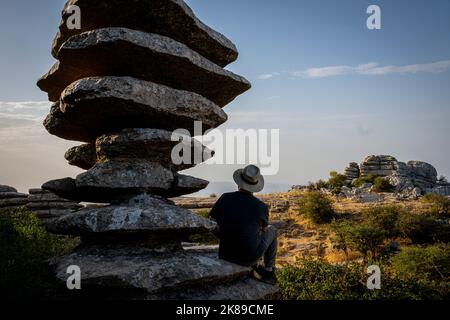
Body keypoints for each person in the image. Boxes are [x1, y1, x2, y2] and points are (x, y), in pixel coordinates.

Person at [209, 165, 277, 285]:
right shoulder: (261, 206)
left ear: (239, 182)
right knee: (273, 230)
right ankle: (268, 271)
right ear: (255, 186)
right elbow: (263, 230)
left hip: (225, 254)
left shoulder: (225, 198)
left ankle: (256, 264)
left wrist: (225, 238)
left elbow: (211, 224)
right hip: (248, 258)